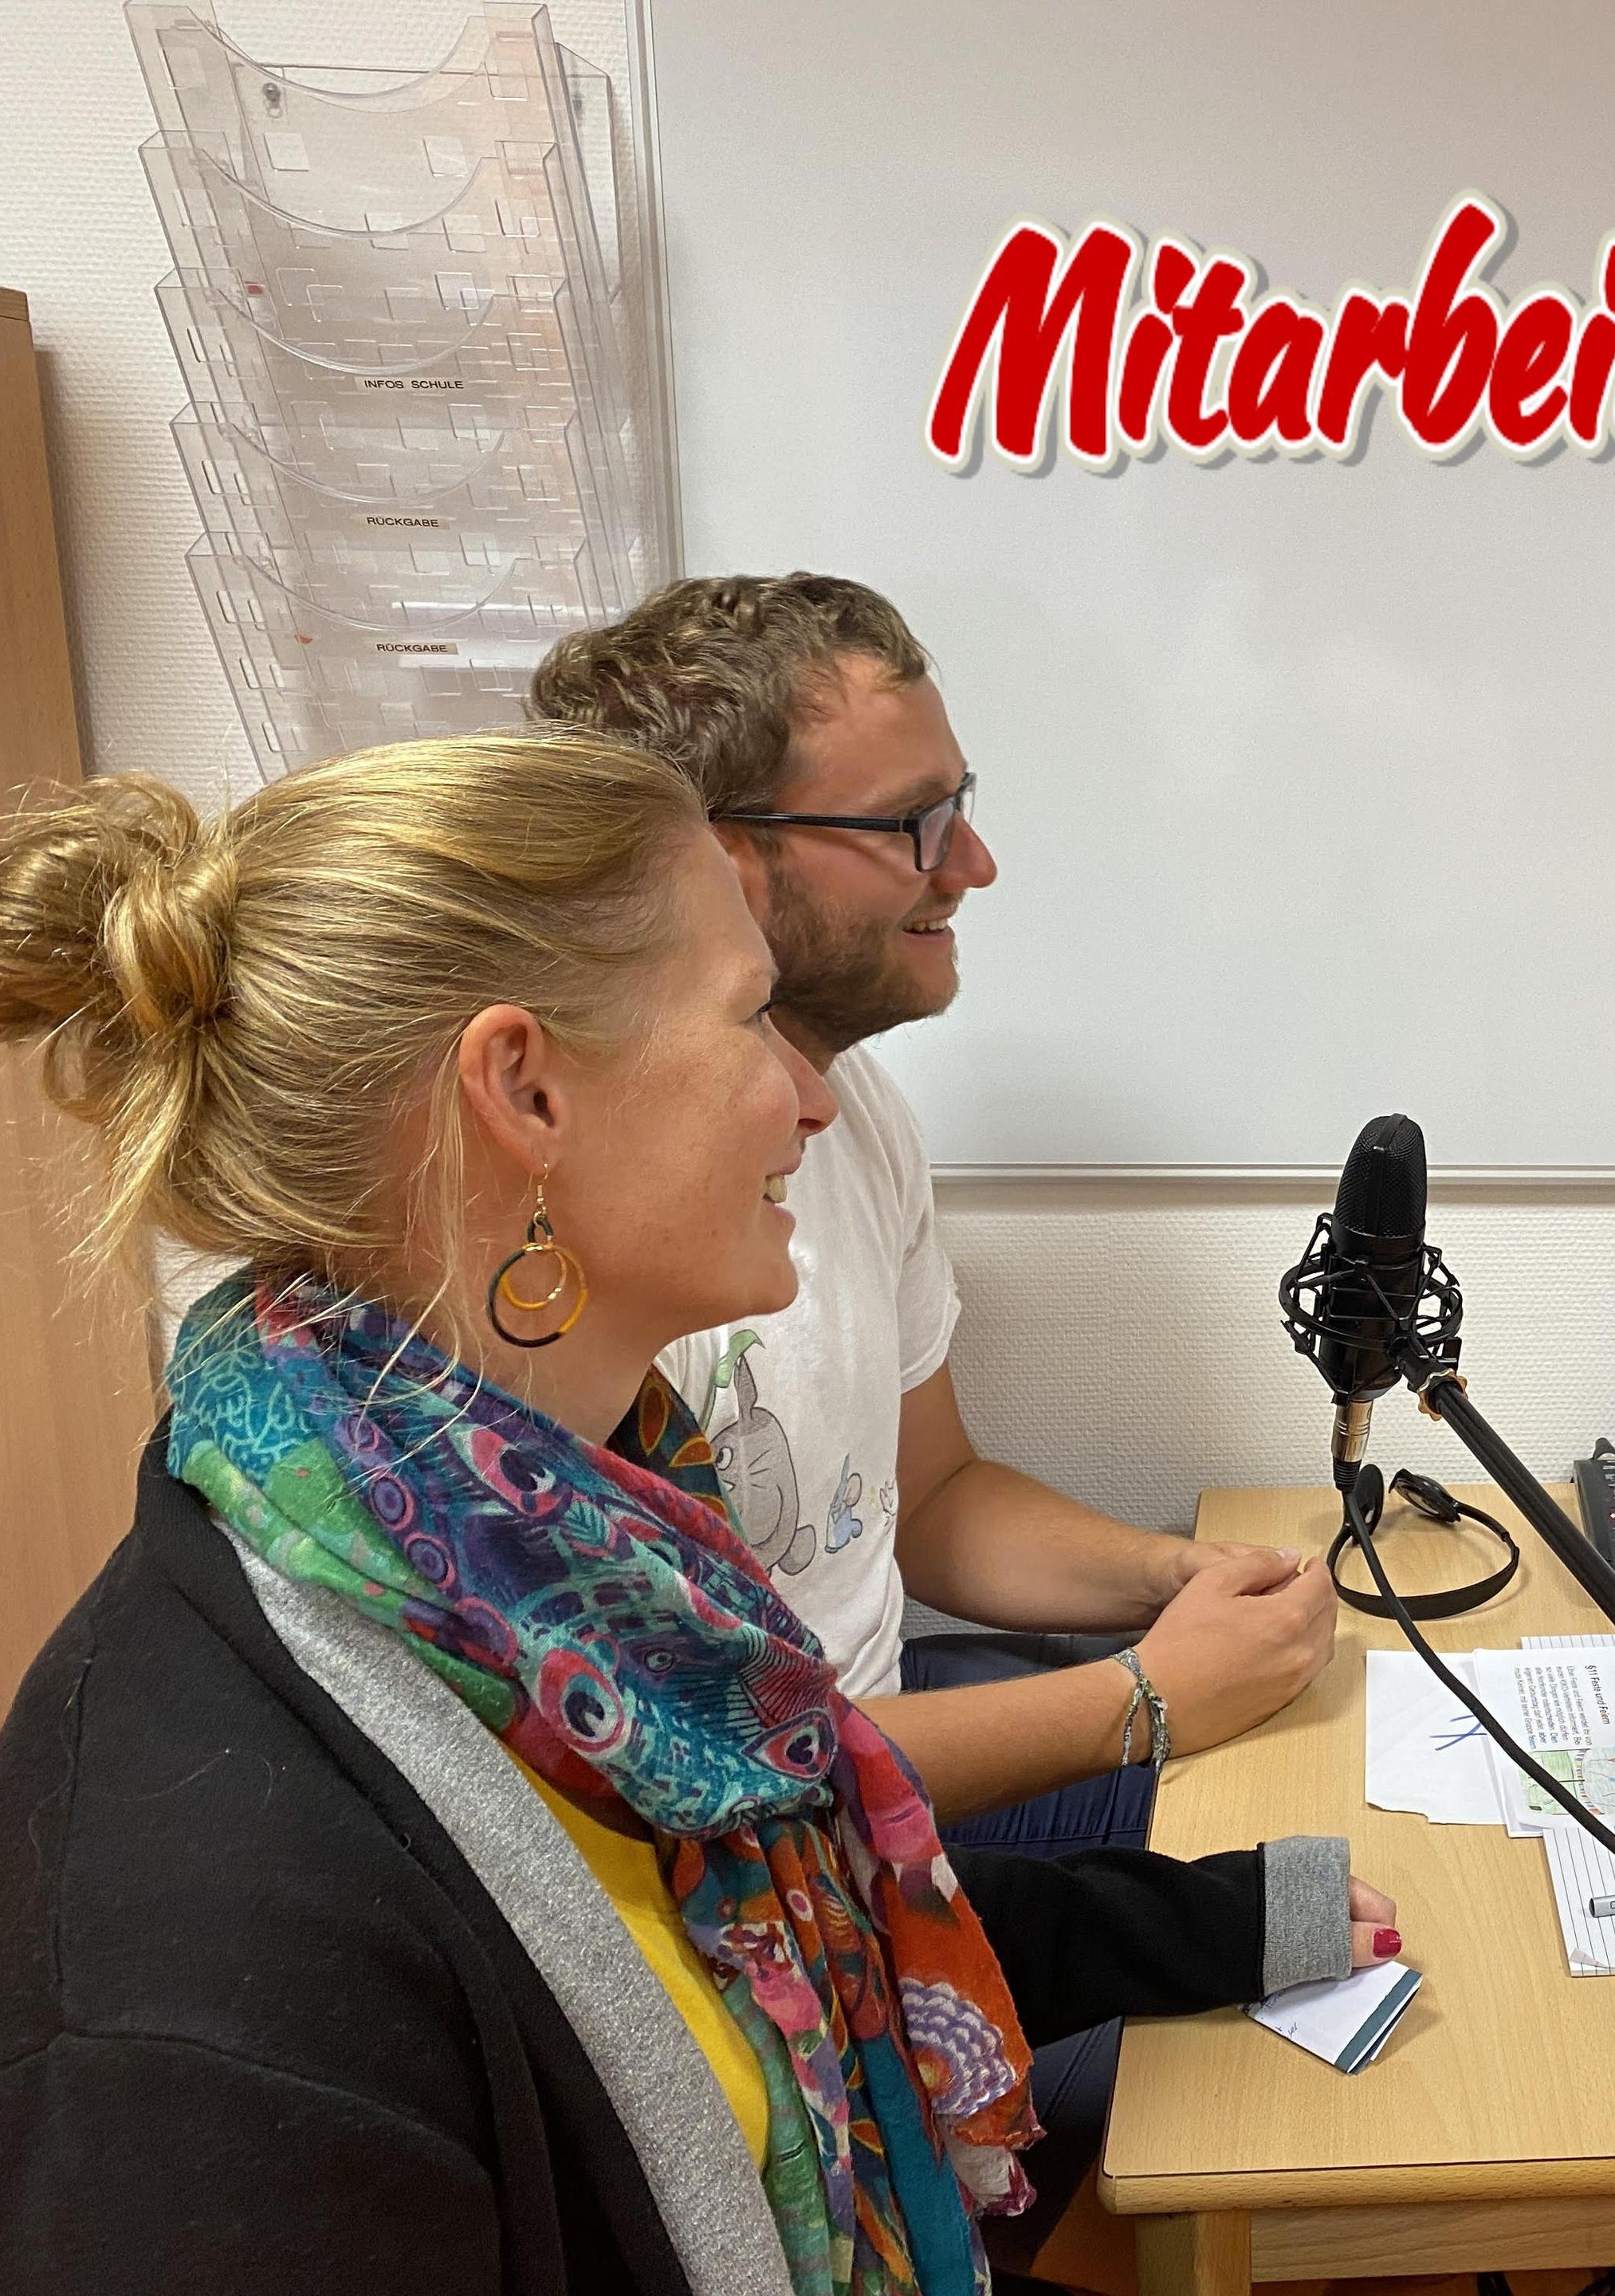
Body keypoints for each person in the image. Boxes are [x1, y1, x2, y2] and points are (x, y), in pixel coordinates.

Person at [0, 735, 1396, 2293]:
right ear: (526, 1090)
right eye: (750, 1020)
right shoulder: (201, 1966)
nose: (812, 1099)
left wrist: (1233, 1918)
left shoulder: (588, 1550)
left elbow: (792, 1902)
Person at [530, 577, 1346, 2235]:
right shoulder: (583, 1253)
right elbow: (697, 1780)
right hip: (769, 1883)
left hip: (882, 1789)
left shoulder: (859, 1114)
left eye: (958, 806)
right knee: (1273, 2044)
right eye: (913, 822)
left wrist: (1167, 1585)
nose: (969, 865)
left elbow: (932, 1494)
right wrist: (1142, 1700)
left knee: (1343, 1815)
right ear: (715, 857)